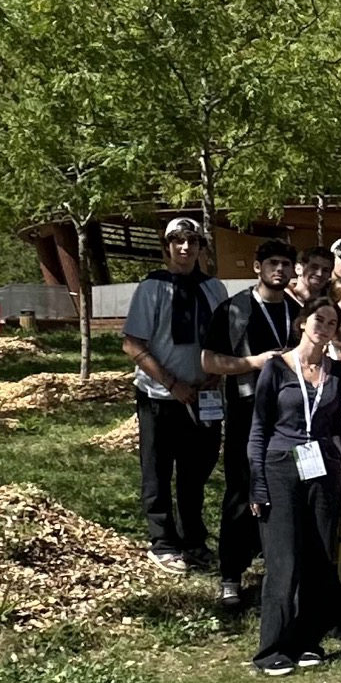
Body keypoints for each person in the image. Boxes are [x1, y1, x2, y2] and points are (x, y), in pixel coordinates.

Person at [246, 297, 341, 675]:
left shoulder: (338, 373)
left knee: (319, 556)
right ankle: (271, 648)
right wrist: (257, 483)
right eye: (318, 319)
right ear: (303, 322)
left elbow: (339, 426)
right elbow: (258, 429)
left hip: (321, 468)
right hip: (280, 466)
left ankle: (309, 640)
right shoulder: (276, 368)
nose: (323, 327)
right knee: (284, 560)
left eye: (331, 322)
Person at [121, 216, 229, 574]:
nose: (186, 248)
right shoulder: (151, 288)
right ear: (166, 246)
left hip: (205, 396)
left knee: (196, 472)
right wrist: (171, 383)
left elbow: (221, 340)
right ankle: (163, 542)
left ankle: (194, 539)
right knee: (157, 469)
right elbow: (132, 343)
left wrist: (213, 380)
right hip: (160, 396)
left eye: (193, 241)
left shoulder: (214, 289)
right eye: (178, 241)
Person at [211, 240, 298, 605]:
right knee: (241, 490)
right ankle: (231, 574)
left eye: (285, 264)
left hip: (289, 417)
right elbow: (209, 361)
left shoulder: (299, 312)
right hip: (247, 412)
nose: (279, 270)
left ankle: (280, 571)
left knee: (284, 493)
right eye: (272, 263)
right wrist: (254, 363)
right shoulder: (234, 309)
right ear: (257, 267)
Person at [290, 243, 335, 309]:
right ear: (298, 268)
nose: (319, 274)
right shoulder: (282, 300)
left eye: (325, 270)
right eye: (314, 267)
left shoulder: (332, 306)